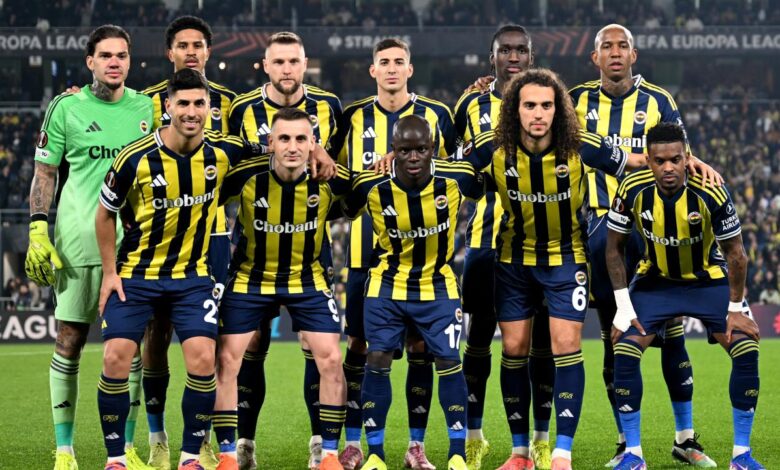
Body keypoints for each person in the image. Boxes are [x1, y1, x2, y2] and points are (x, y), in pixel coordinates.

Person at [464, 68, 660, 470]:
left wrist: (690, 162)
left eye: (547, 105)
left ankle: (561, 453)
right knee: (514, 349)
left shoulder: (581, 144)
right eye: (529, 105)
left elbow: (637, 162)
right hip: (513, 261)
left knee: (566, 346)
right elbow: (445, 169)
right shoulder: (491, 146)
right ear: (514, 109)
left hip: (566, 260)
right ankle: (520, 453)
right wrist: (395, 159)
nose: (538, 113)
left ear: (559, 109)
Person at [569, 24, 724, 467]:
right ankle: (626, 443)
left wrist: (696, 162)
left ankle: (685, 438)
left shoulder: (658, 101)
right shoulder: (575, 101)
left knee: (672, 332)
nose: (615, 53)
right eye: (607, 47)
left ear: (634, 55)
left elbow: (679, 153)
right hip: (602, 230)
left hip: (652, 227)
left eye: (623, 46)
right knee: (614, 335)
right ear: (595, 58)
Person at [94, 68, 262, 470]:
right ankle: (115, 459)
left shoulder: (224, 151)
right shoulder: (135, 157)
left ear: (209, 107)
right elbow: (104, 214)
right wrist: (110, 272)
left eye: (199, 103)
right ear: (167, 106)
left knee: (203, 358)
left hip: (192, 278)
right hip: (137, 275)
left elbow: (275, 147)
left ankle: (190, 457)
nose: (191, 111)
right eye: (183, 103)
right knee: (115, 358)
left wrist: (317, 152)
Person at [25, 24, 153, 470]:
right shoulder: (67, 107)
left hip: (133, 246)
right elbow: (45, 173)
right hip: (78, 241)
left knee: (130, 347)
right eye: (106, 55)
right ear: (90, 62)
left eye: (122, 55)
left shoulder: (147, 108)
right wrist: (38, 228)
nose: (114, 62)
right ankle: (65, 450)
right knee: (69, 340)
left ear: (129, 61)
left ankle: (128, 448)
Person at [606, 122, 765, 470]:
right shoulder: (631, 188)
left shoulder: (711, 190)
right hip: (655, 281)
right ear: (648, 160)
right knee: (625, 350)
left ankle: (741, 456)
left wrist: (735, 309)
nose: (668, 168)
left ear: (687, 157)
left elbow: (736, 254)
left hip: (707, 281)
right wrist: (622, 306)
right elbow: (614, 249)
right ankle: (633, 455)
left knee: (746, 348)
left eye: (675, 160)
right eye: (660, 161)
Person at [332, 38, 456, 470]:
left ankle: (415, 445)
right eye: (383, 62)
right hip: (364, 253)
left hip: (420, 259)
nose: (390, 69)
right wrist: (365, 177)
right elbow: (335, 174)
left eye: (398, 62)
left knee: (421, 349)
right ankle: (354, 442)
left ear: (409, 69)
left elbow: (454, 168)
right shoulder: (352, 116)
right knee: (359, 346)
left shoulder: (437, 115)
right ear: (372, 70)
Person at [226, 31, 343, 470]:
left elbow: (338, 168)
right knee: (251, 346)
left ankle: (320, 443)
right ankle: (243, 444)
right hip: (255, 248)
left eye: (294, 61)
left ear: (305, 63)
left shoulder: (330, 106)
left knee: (317, 347)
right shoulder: (241, 109)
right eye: (279, 62)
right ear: (265, 65)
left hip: (309, 247)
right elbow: (227, 160)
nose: (287, 69)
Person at [343, 115, 482, 470]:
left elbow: (486, 175)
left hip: (438, 285)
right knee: (377, 359)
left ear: (433, 149)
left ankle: (456, 454)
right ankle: (375, 455)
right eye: (405, 150)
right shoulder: (370, 185)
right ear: (393, 150)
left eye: (421, 149)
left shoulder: (457, 178)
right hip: (386, 286)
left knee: (449, 362)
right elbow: (340, 204)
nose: (414, 157)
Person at [453, 25, 555, 470]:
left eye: (521, 50)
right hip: (485, 239)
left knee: (541, 344)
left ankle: (540, 439)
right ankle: (474, 436)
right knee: (478, 338)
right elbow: (451, 162)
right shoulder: (470, 104)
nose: (513, 57)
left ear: (531, 56)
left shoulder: (549, 101)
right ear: (491, 57)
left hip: (541, 244)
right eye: (505, 50)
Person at [140, 17, 237, 468]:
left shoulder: (229, 102)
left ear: (209, 51)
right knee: (156, 335)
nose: (191, 52)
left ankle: (200, 439)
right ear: (170, 52)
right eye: (183, 45)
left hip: (211, 236)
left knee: (208, 340)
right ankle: (157, 437)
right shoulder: (144, 102)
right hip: (156, 240)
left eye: (199, 45)